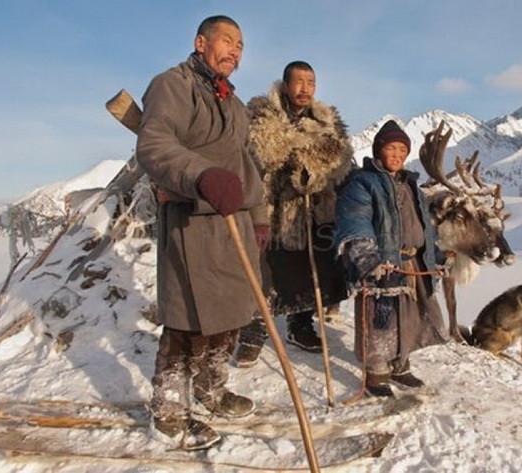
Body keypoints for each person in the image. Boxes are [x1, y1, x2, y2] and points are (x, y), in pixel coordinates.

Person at [135, 15, 269, 450]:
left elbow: (248, 166)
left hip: (236, 222)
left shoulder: (235, 104)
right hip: (192, 221)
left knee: (231, 314)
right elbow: (155, 145)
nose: (235, 50)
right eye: (226, 41)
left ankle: (211, 389)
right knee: (187, 319)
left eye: (241, 46)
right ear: (200, 42)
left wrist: (260, 215)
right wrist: (201, 174)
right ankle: (169, 410)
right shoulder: (171, 85)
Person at [232, 61, 353, 365]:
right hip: (270, 208)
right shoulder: (262, 115)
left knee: (307, 269)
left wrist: (316, 169)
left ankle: (300, 325)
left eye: (310, 83)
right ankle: (253, 331)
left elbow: (341, 157)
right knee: (265, 272)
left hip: (312, 210)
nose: (305, 88)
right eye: (298, 82)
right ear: (285, 85)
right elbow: (267, 152)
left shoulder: (328, 120)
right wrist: (306, 154)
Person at [334, 120, 449, 397]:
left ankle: (400, 365)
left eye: (402, 149)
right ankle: (376, 374)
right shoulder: (363, 183)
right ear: (378, 151)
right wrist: (364, 255)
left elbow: (425, 227)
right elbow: (356, 219)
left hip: (412, 265)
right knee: (380, 320)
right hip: (382, 263)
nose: (397, 154)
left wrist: (437, 255)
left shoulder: (412, 186)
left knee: (409, 316)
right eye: (391, 148)